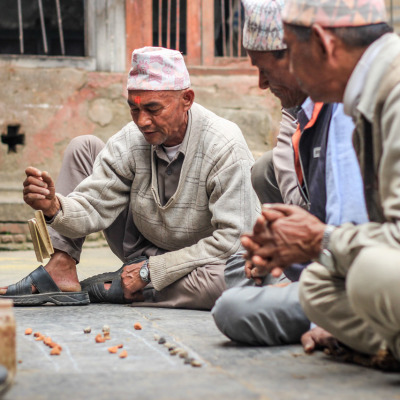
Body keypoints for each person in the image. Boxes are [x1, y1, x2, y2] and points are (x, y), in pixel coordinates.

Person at [1, 47, 259, 309]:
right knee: (84, 147)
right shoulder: (131, 139)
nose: (142, 121)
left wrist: (152, 271)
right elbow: (93, 205)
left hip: (199, 263)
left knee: (236, 280)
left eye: (153, 109)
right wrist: (54, 208)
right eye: (134, 110)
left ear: (187, 99)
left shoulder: (224, 145)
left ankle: (127, 287)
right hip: (139, 247)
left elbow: (234, 241)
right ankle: (62, 269)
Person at [242, 0, 400, 365]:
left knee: (368, 274)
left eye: (292, 54)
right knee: (317, 287)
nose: (290, 72)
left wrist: (319, 239)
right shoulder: (363, 94)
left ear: (324, 44)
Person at [212, 0, 368, 346]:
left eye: (266, 69)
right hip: (334, 259)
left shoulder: (347, 106)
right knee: (239, 268)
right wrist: (277, 248)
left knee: (231, 309)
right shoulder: (304, 109)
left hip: (358, 273)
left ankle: (337, 317)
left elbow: (351, 240)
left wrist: (328, 310)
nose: (261, 84)